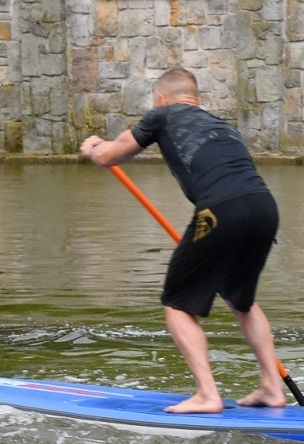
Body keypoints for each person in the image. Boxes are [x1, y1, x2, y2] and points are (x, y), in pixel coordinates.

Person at [79, 67, 286, 414]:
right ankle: (271, 387)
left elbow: (111, 155)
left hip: (221, 209)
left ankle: (208, 394)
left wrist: (93, 147)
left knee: (177, 302)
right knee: (242, 301)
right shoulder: (220, 124)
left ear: (161, 99)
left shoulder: (161, 114)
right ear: (196, 99)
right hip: (264, 207)